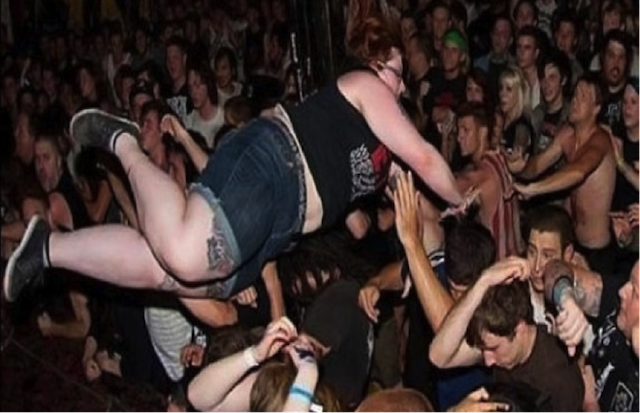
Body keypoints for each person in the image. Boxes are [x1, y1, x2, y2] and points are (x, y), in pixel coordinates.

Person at [4, 13, 469, 304]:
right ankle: (123, 141)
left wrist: (422, 262)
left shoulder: (383, 155)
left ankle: (48, 248)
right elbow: (428, 160)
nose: (398, 85)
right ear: (373, 68)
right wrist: (461, 198)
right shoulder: (366, 86)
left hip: (281, 225)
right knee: (185, 252)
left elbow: (416, 206)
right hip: (277, 167)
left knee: (165, 273)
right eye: (394, 72)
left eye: (401, 78)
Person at [429, 258, 585, 413]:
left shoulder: (560, 377)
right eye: (484, 349)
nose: (488, 361)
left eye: (493, 348)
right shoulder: (495, 346)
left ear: (519, 329)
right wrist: (483, 282)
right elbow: (439, 357)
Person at [509, 73, 617, 276]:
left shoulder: (600, 139)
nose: (575, 100)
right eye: (575, 94)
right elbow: (537, 165)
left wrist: (533, 190)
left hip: (597, 250)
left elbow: (578, 171)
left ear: (596, 108)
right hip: (573, 243)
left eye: (583, 96)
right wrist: (520, 167)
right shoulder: (567, 134)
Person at [541, 258, 640, 413]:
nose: (622, 291)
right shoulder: (615, 300)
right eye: (629, 281)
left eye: (636, 293)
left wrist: (590, 405)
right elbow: (554, 268)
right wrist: (566, 299)